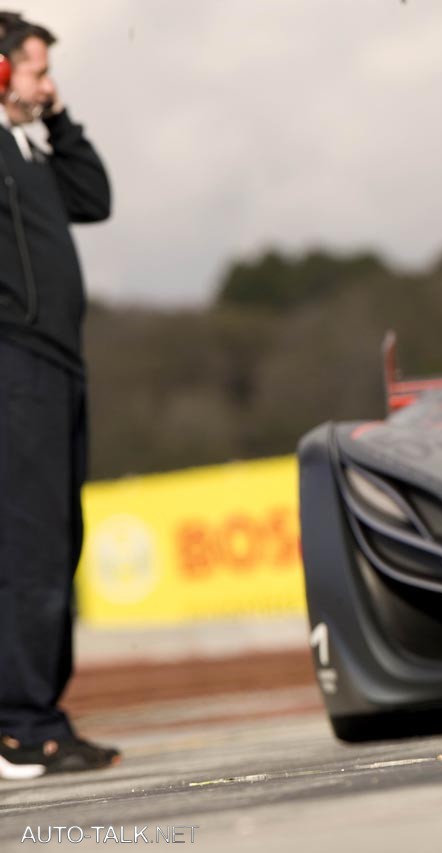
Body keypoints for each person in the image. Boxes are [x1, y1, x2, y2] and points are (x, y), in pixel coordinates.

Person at [0, 11, 118, 780]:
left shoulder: (31, 150)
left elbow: (95, 196)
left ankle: (39, 713)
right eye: (38, 72)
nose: (51, 86)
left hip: (58, 369)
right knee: (30, 551)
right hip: (15, 368)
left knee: (57, 545)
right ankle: (21, 726)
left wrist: (57, 117)